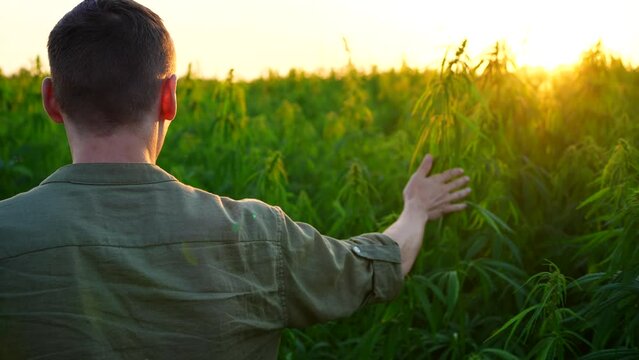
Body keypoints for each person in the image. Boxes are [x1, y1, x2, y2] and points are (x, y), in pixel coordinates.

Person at [0, 0, 471, 359]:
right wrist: (416, 209)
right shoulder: (257, 236)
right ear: (169, 98)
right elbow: (376, 268)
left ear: (51, 101)